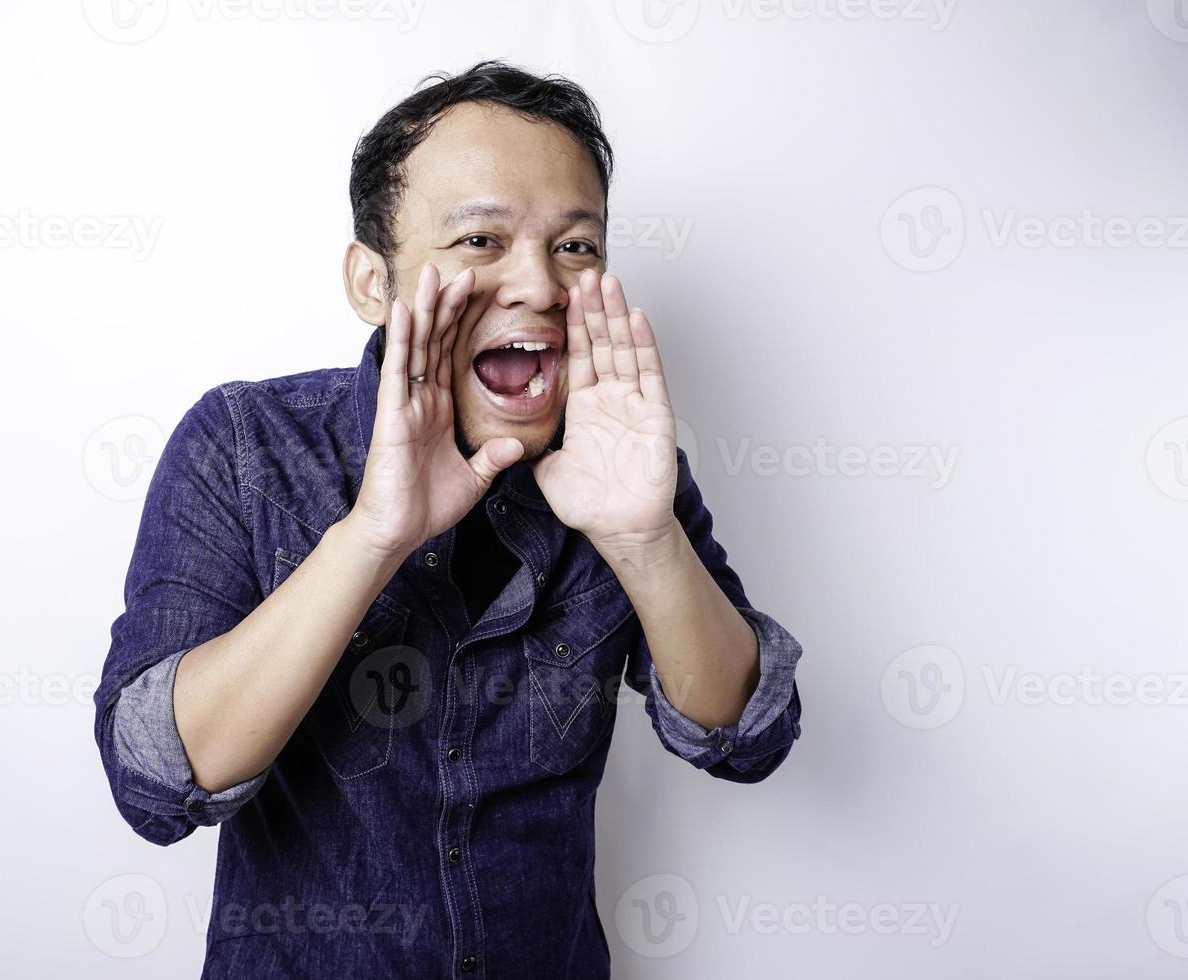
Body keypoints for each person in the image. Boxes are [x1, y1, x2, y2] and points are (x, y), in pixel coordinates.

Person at [93, 59, 804, 978]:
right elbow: (155, 784)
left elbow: (747, 737)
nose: (540, 287)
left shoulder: (625, 465)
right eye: (480, 240)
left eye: (576, 246)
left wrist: (646, 539)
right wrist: (374, 535)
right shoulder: (244, 446)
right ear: (372, 283)